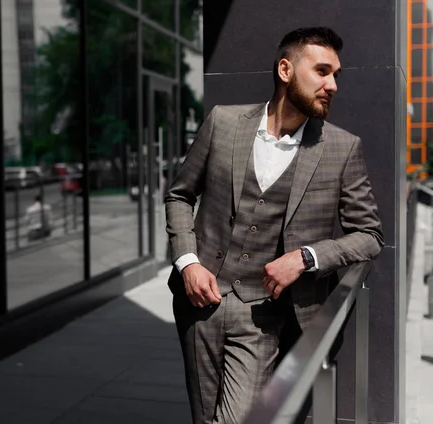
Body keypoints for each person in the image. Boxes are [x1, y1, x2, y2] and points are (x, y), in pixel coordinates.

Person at [164, 27, 384, 424]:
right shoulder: (224, 122)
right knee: (203, 416)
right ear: (286, 69)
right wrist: (187, 263)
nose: (332, 84)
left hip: (264, 317)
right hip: (199, 302)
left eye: (336, 75)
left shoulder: (340, 147)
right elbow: (180, 195)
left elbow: (369, 236)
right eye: (321, 71)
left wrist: (306, 258)